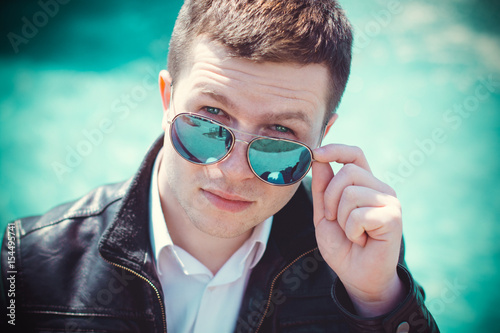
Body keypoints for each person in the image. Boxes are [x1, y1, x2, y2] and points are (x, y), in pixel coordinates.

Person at [1, 0, 440, 332]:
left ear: (322, 138)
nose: (232, 171)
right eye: (209, 120)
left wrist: (378, 301)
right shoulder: (28, 264)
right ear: (167, 99)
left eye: (279, 136)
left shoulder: (359, 269)